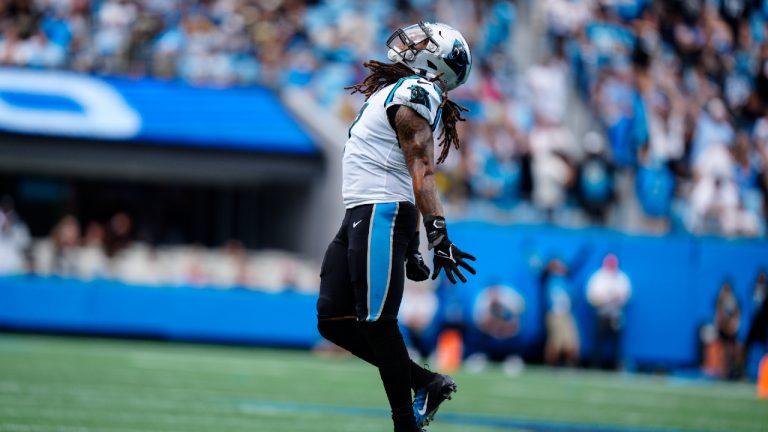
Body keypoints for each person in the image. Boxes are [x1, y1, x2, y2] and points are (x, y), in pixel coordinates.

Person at [315, 22, 477, 432]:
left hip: (380, 212)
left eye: (423, 42)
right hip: (363, 211)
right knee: (332, 319)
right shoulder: (403, 91)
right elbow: (400, 167)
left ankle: (404, 424)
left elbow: (421, 170)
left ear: (436, 62)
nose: (412, 43)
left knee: (377, 320)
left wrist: (436, 234)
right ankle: (426, 382)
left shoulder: (416, 93)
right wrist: (410, 247)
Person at [586, 254, 632, 369]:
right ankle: (595, 366)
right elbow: (591, 296)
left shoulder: (621, 277)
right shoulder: (598, 277)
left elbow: (627, 295)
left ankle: (615, 367)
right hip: (602, 313)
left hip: (616, 314)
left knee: (617, 343)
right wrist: (603, 299)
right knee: (598, 341)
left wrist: (618, 298)